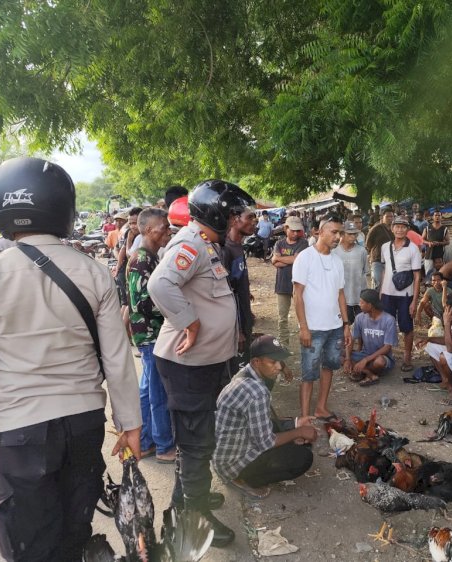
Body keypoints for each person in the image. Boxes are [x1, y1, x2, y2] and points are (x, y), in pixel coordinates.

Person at [0, 157, 141, 561]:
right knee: (74, 532)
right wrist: (130, 425)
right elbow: (117, 359)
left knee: (29, 547)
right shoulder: (93, 272)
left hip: (21, 432)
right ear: (62, 207)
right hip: (84, 425)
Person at [147, 180, 256, 548]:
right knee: (196, 445)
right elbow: (160, 285)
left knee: (199, 442)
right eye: (233, 213)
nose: (238, 219)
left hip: (203, 364)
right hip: (187, 365)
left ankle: (188, 498)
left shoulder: (206, 242)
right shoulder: (190, 243)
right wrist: (189, 322)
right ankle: (193, 518)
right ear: (215, 213)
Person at [213, 335, 316, 498]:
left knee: (296, 441)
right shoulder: (257, 392)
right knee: (303, 458)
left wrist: (296, 423)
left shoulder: (245, 372)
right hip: (231, 464)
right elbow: (265, 442)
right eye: (272, 362)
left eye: (280, 361)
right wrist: (299, 432)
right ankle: (243, 478)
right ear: (256, 362)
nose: (278, 367)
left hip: (226, 449)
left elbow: (260, 421)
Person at [292, 213, 351, 421]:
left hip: (334, 326)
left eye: (340, 233)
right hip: (313, 328)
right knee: (309, 373)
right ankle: (304, 417)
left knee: (329, 366)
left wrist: (345, 324)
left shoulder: (337, 261)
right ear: (320, 231)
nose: (338, 237)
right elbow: (297, 295)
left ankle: (321, 407)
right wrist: (303, 327)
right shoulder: (305, 257)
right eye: (334, 232)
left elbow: (340, 294)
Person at [127, 207, 175, 463]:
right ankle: (164, 446)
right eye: (163, 228)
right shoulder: (142, 259)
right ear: (147, 230)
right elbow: (142, 303)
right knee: (158, 393)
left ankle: (145, 442)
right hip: (151, 335)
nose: (167, 231)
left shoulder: (152, 257)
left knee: (147, 390)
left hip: (150, 335)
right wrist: (176, 309)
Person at [380, 216, 422, 372]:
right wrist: (381, 292)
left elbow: (417, 276)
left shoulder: (413, 249)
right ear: (392, 228)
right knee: (387, 325)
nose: (399, 229)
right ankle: (387, 355)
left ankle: (407, 357)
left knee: (406, 327)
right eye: (397, 226)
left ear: (407, 229)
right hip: (387, 294)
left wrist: (414, 301)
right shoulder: (385, 247)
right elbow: (385, 270)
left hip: (405, 295)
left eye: (403, 227)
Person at [223, 203, 258, 373]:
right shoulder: (226, 250)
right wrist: (236, 330)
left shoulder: (238, 247)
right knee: (236, 372)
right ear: (236, 220)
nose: (254, 221)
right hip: (234, 327)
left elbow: (238, 284)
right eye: (249, 217)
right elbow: (226, 293)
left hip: (243, 319)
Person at [343, 288, 398, 386]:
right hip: (364, 354)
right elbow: (351, 340)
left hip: (382, 357)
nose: (359, 305)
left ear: (370, 305)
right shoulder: (359, 317)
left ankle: (360, 370)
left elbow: (387, 347)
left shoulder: (389, 320)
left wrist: (365, 360)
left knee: (379, 362)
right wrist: (347, 359)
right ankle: (367, 372)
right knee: (337, 353)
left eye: (362, 302)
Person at [271, 216, 308, 346]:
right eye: (293, 230)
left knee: (303, 316)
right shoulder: (279, 243)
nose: (295, 233)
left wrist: (282, 259)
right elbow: (274, 262)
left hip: (299, 286)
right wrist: (290, 259)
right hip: (282, 285)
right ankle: (283, 345)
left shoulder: (303, 243)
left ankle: (305, 344)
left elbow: (296, 260)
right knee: (282, 318)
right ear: (286, 228)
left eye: (298, 231)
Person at [333, 220, 369, 323]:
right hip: (342, 297)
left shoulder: (362, 251)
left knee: (361, 326)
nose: (353, 237)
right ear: (342, 234)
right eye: (350, 234)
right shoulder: (334, 253)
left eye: (355, 234)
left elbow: (365, 272)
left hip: (360, 296)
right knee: (345, 326)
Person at [365, 207, 394, 291]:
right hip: (377, 260)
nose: (390, 218)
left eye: (391, 216)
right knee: (378, 283)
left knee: (389, 284)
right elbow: (368, 243)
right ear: (382, 217)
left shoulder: (394, 229)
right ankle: (375, 303)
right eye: (388, 216)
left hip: (390, 260)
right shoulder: (376, 228)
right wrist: (374, 251)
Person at [422, 210, 450, 277]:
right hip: (429, 254)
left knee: (440, 272)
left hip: (439, 254)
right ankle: (429, 285)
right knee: (429, 272)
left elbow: (448, 241)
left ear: (441, 217)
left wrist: (439, 243)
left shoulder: (445, 229)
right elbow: (422, 239)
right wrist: (428, 243)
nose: (437, 217)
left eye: (439, 215)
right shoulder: (427, 228)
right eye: (435, 215)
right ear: (432, 217)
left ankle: (440, 286)